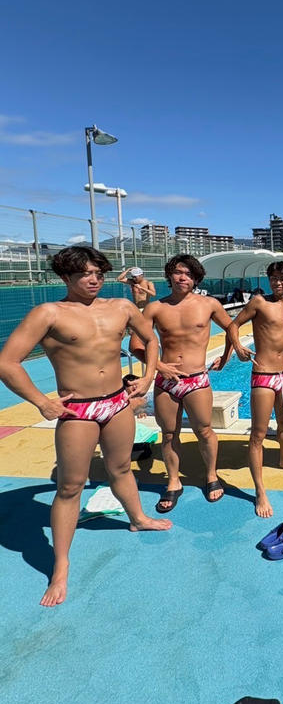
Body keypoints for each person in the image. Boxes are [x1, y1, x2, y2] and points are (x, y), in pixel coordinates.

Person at [0, 246, 171, 607]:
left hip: (117, 402)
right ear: (66, 277)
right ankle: (60, 566)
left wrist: (147, 377)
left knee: (121, 468)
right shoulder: (48, 313)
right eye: (85, 274)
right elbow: (7, 362)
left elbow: (150, 340)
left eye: (99, 273)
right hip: (77, 409)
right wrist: (42, 401)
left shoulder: (121, 307)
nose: (94, 280)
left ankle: (138, 518)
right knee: (70, 486)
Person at [136, 255, 233, 513]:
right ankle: (173, 481)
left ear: (196, 279)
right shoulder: (155, 309)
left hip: (197, 379)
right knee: (169, 434)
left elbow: (232, 328)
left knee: (205, 431)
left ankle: (211, 475)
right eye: (178, 272)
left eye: (189, 274)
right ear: (170, 275)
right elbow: (136, 345)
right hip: (166, 381)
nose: (183, 278)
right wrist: (160, 366)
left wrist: (226, 356)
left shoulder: (209, 304)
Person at [228, 261, 283, 517]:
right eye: (273, 278)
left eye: (282, 278)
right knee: (258, 434)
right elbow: (233, 325)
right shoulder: (259, 303)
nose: (277, 282)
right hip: (263, 375)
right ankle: (260, 491)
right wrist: (238, 348)